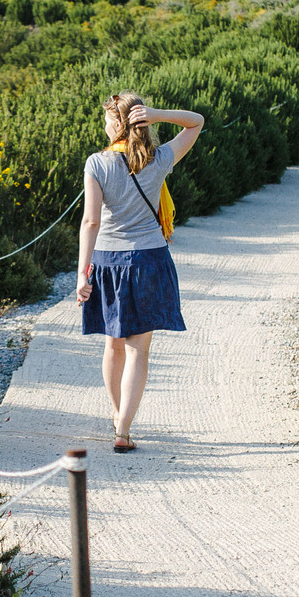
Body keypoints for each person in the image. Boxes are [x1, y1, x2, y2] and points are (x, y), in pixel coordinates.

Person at [76, 90, 204, 452]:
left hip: (106, 262)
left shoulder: (96, 164)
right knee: (138, 351)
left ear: (117, 124)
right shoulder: (160, 158)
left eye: (106, 119)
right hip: (149, 260)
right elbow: (196, 122)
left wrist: (82, 274)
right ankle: (124, 430)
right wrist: (158, 114)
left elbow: (90, 222)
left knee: (113, 345)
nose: (103, 125)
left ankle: (117, 414)